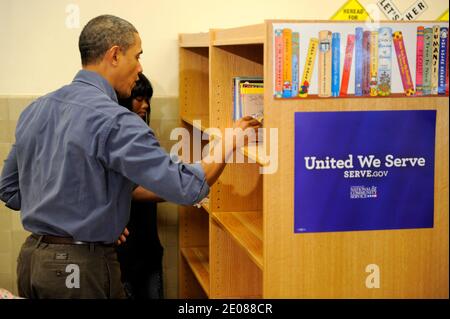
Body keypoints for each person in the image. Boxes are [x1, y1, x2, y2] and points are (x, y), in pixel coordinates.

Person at [0, 14, 260, 299]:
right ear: (114, 55)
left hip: (31, 263)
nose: (140, 68)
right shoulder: (115, 121)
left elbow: (9, 189)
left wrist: (87, 220)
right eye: (137, 56)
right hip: (78, 271)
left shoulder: (37, 109)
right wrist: (229, 142)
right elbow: (187, 188)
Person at [116, 73, 164, 299]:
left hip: (149, 246)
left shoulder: (144, 136)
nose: (145, 105)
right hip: (124, 250)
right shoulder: (117, 137)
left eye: (148, 99)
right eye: (139, 99)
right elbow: (131, 190)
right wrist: (175, 190)